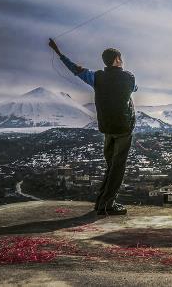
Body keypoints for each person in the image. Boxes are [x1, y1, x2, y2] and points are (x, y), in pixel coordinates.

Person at [48, 38, 136, 216]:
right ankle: (107, 205)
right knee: (117, 168)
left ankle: (101, 203)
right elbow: (134, 89)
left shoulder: (97, 77)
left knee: (111, 166)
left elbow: (76, 69)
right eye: (121, 58)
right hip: (123, 129)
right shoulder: (128, 77)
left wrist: (59, 54)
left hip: (107, 128)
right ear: (117, 59)